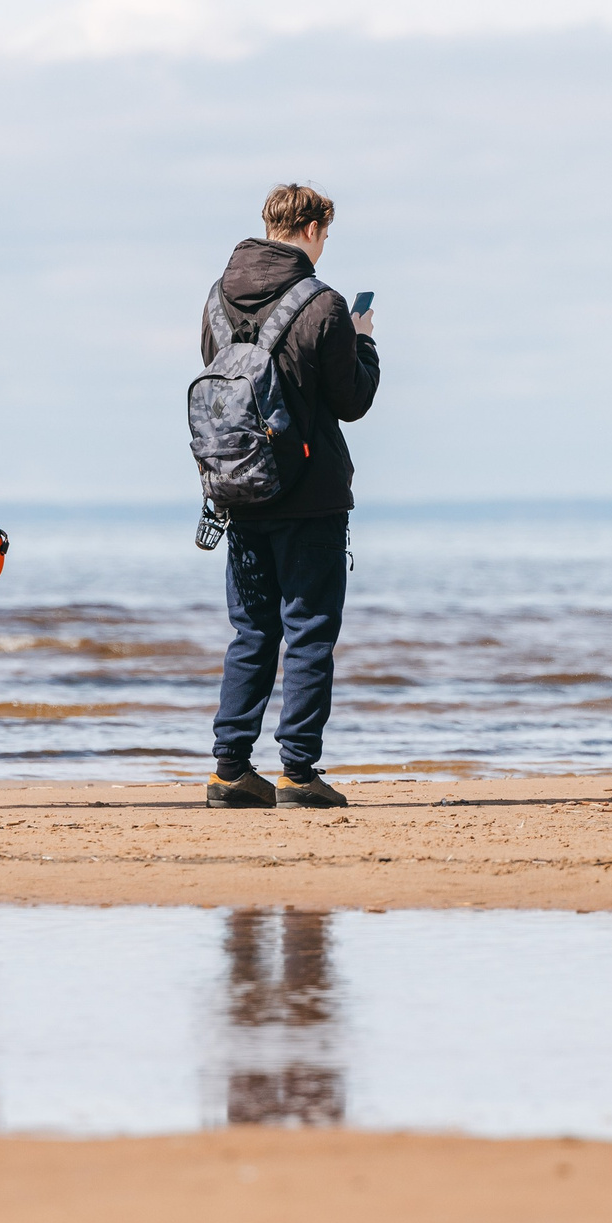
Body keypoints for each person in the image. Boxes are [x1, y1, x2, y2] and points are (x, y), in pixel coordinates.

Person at [200, 183, 381, 810]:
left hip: (240, 488)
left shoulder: (217, 300)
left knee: (250, 631)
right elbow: (352, 401)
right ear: (310, 229)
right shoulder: (325, 305)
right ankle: (298, 774)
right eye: (325, 233)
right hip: (311, 495)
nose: (325, 245)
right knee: (308, 632)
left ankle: (229, 771)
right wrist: (364, 340)